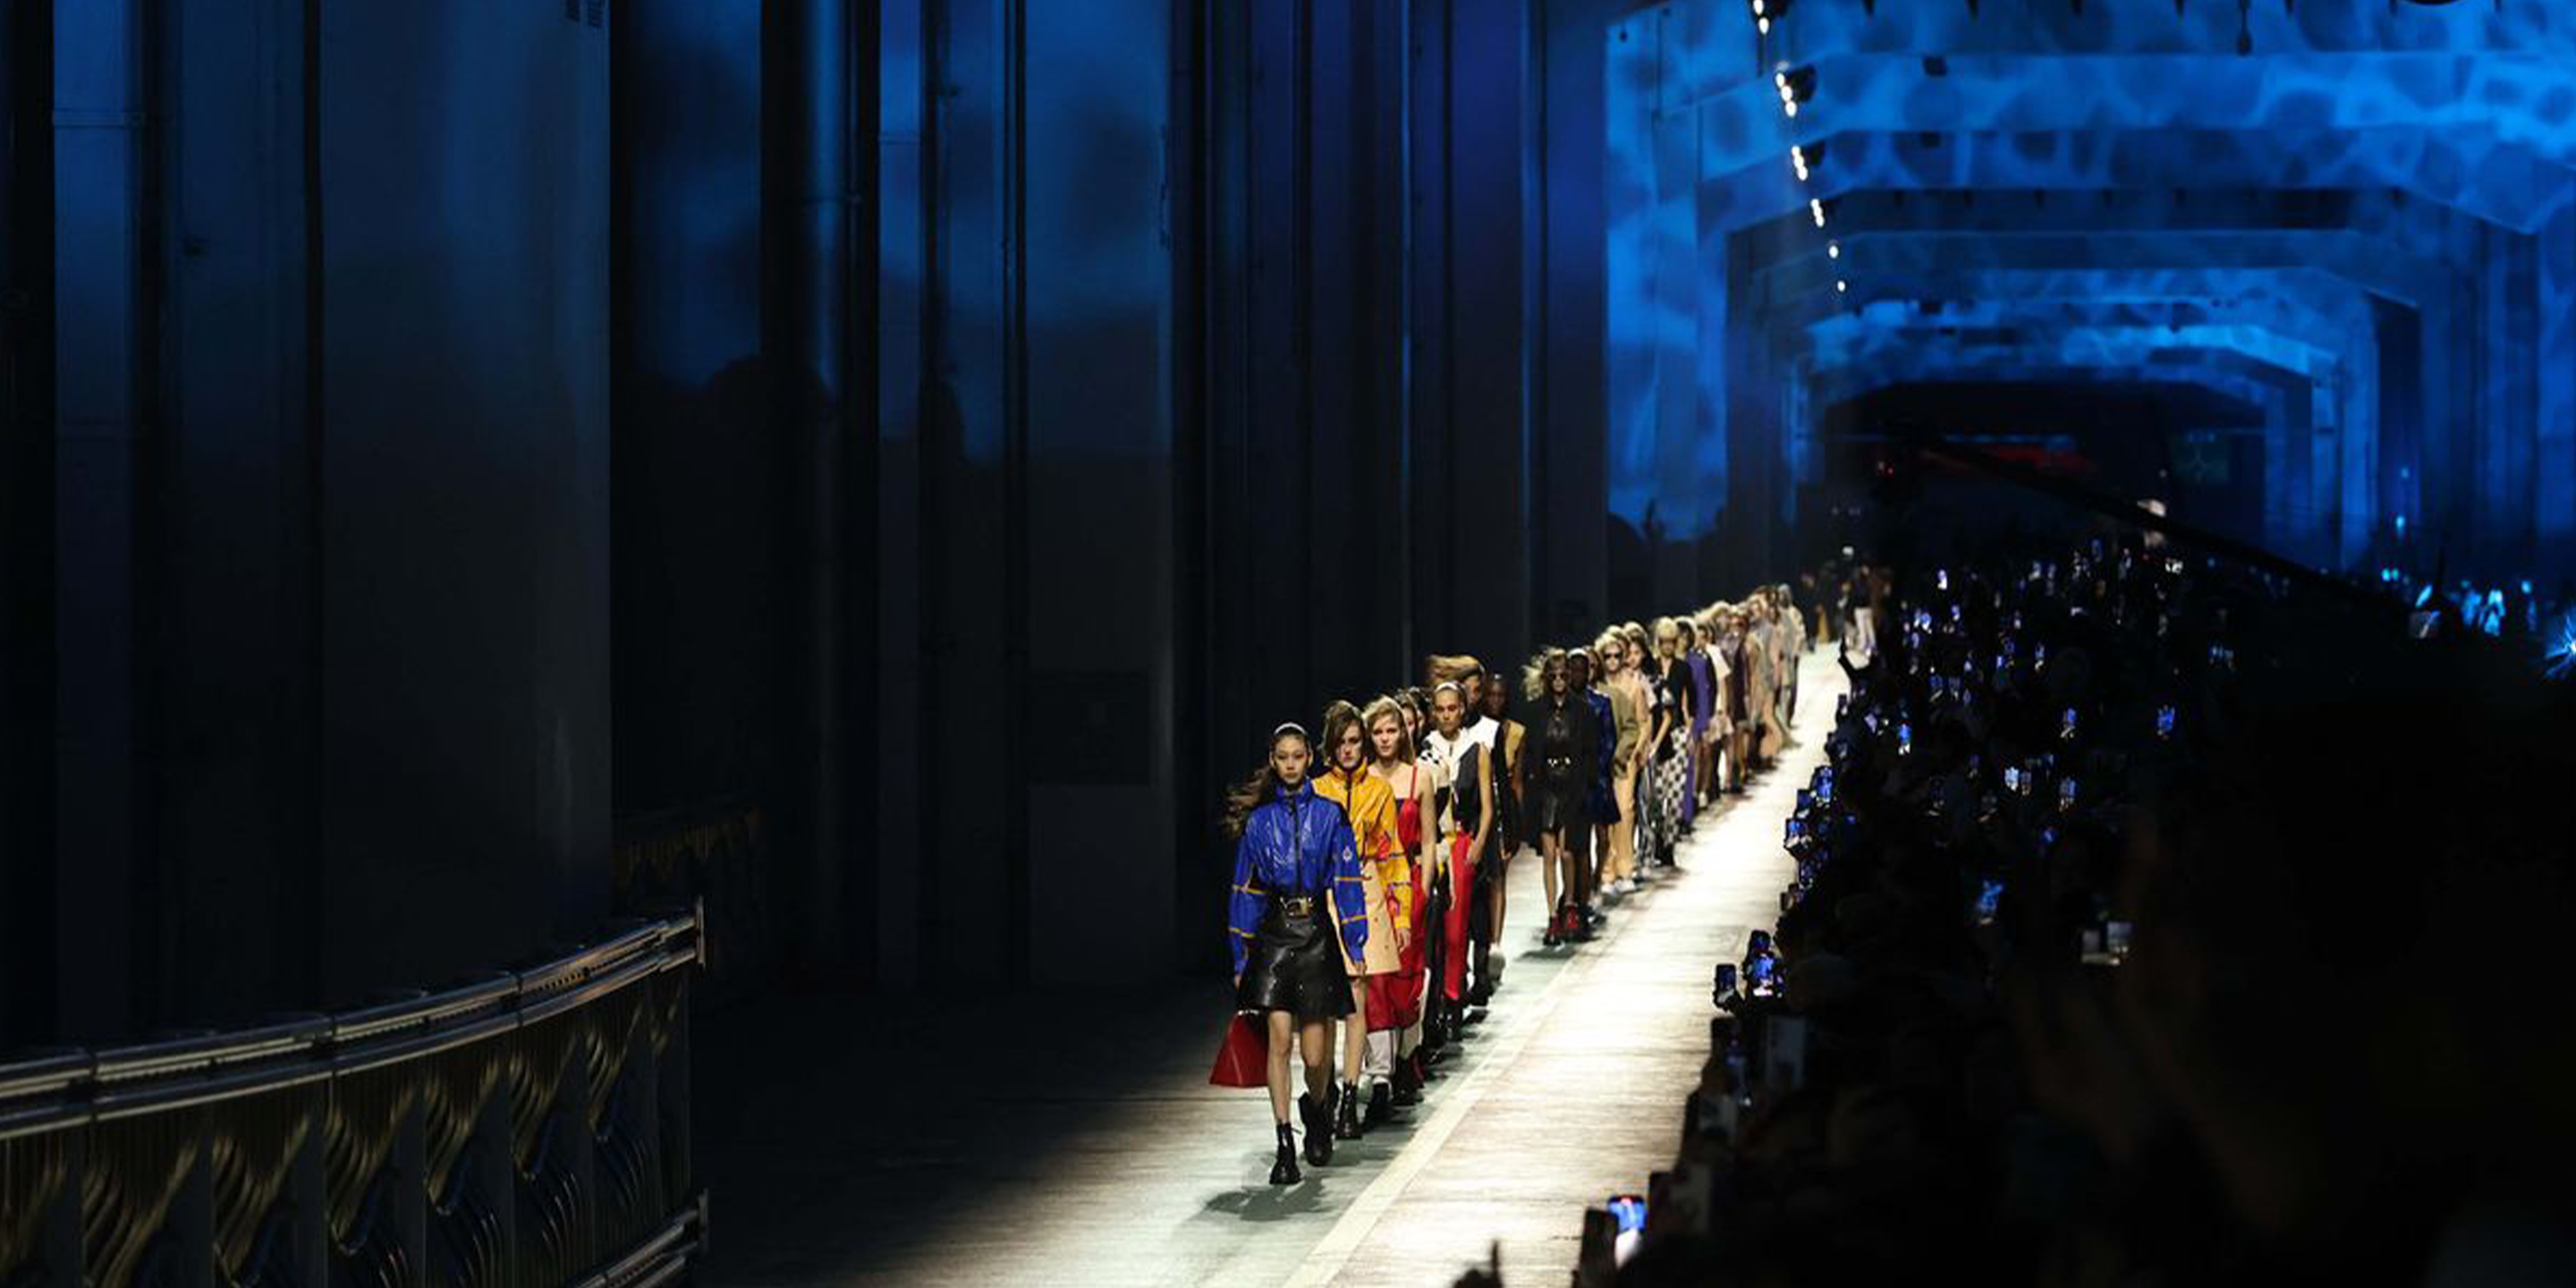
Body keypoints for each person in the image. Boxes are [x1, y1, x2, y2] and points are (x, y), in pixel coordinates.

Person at [1225, 723, 1369, 1183]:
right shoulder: (1259, 823)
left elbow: (1347, 880)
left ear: (1310, 758)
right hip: (1275, 935)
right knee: (1279, 1041)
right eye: (1282, 757)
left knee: (1314, 1056)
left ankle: (1318, 1107)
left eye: (1298, 756)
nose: (1290, 764)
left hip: (1316, 935)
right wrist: (1241, 956)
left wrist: (1355, 940)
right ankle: (1284, 1142)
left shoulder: (1330, 815)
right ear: (1274, 761)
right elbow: (1245, 891)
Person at [1311, 701, 1408, 1140]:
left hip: (1366, 891)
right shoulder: (1316, 790)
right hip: (1324, 893)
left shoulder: (1379, 791)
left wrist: (1401, 915)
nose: (1348, 749)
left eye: (1354, 741)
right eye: (1341, 742)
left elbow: (1392, 855)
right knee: (1323, 1004)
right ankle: (1325, 1094)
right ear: (1330, 746)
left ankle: (1350, 1098)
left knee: (1356, 998)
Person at [1362, 696, 1432, 1111]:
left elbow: (1428, 840)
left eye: (1392, 731)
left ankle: (1406, 1056)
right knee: (1376, 982)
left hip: (1409, 888)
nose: (1386, 738)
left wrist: (1427, 889)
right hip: (1372, 888)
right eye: (1378, 732)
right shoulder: (1363, 780)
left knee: (1407, 983)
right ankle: (1381, 1074)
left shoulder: (1419, 777)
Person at [1420, 682, 1495, 1037]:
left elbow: (1488, 806)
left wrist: (1478, 844)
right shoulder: (1426, 749)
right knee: (1432, 927)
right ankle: (1435, 1002)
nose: (1447, 715)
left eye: (1453, 708)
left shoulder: (1477, 749)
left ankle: (1452, 997)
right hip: (1432, 844)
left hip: (1461, 842)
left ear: (1463, 710)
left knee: (1455, 928)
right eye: (1441, 709)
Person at [1522, 648, 1597, 946]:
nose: (1558, 680)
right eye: (1552, 675)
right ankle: (1553, 916)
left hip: (1572, 787)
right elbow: (1530, 753)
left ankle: (1570, 907)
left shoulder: (1583, 711)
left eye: (1563, 674)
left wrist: (1586, 787)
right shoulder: (1534, 711)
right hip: (1545, 788)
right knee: (1549, 856)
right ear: (1546, 678)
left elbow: (1590, 753)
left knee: (1568, 852)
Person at [1472, 672, 1524, 1005]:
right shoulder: (1475, 730)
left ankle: (1495, 945)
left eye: (1499, 694)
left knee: (1499, 879)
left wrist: (1515, 826)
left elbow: (1514, 783)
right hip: (1479, 810)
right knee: (1482, 883)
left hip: (1502, 811)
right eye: (1488, 694)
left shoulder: (1515, 732)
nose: (1494, 700)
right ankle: (1483, 948)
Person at [1597, 629, 1644, 896]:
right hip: (1600, 762)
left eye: (1617, 655)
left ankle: (1625, 870)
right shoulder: (1596, 687)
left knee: (1625, 813)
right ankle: (1607, 873)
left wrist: (1634, 752)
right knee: (1605, 817)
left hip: (1625, 759)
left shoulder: (1634, 685)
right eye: (1608, 656)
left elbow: (1641, 722)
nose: (1613, 660)